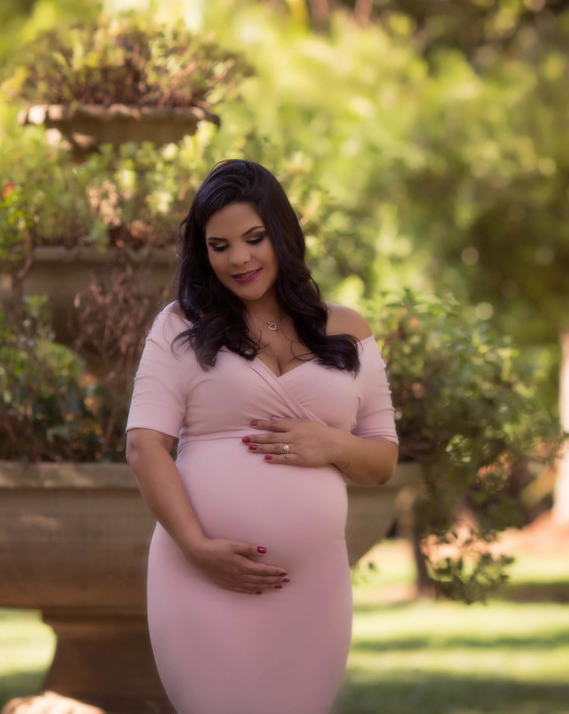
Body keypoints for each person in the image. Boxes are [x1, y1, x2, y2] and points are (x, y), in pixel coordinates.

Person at [125, 159, 399, 714]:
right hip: (200, 575)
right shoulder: (180, 326)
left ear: (282, 235)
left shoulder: (347, 330)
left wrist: (334, 446)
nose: (240, 258)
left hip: (312, 588)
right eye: (219, 245)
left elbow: (383, 458)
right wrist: (198, 548)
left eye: (254, 238)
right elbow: (144, 445)